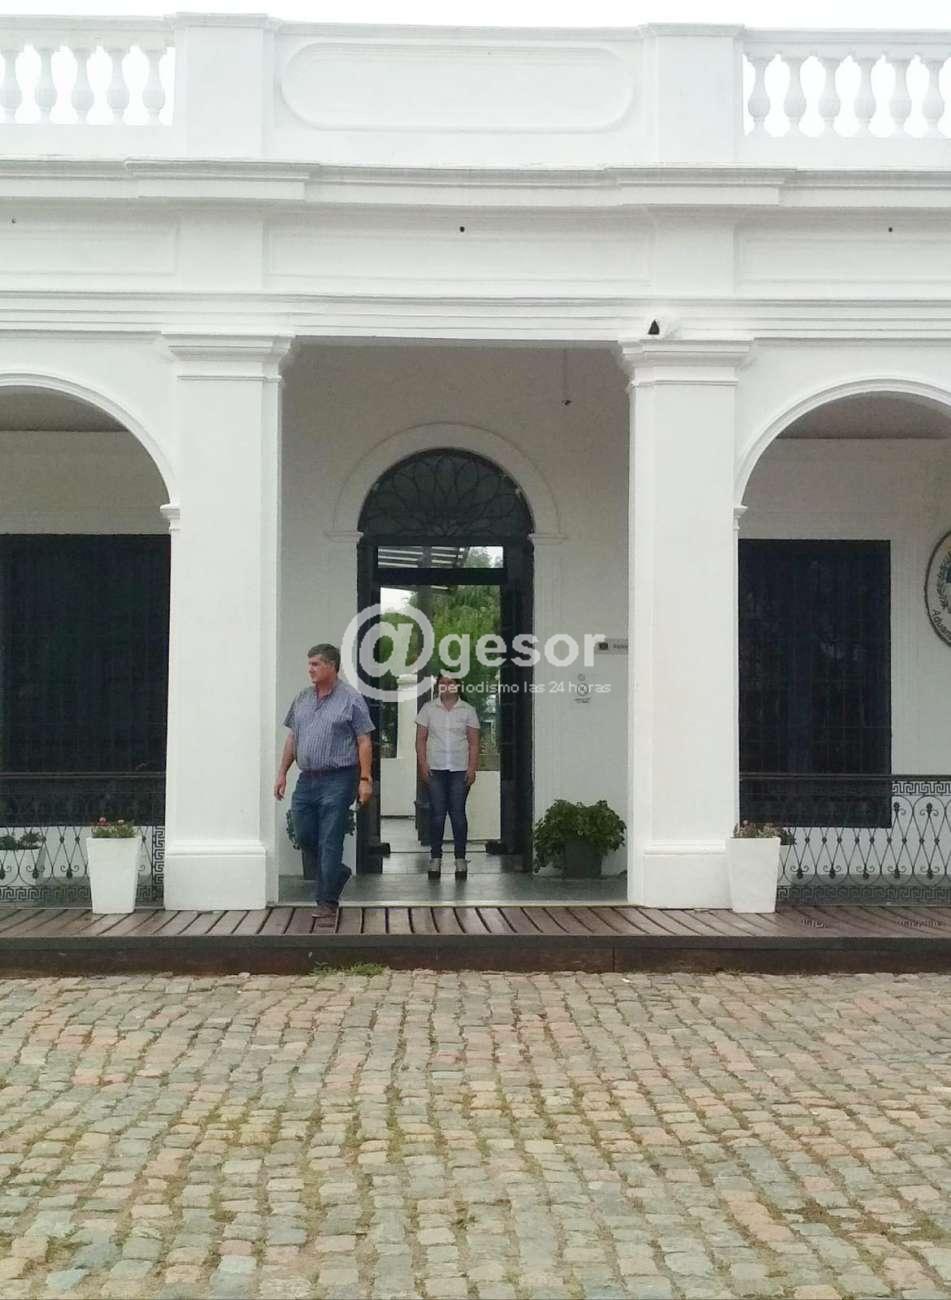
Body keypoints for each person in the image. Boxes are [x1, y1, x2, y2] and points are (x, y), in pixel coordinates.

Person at [275, 643, 374, 925]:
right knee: (305, 834)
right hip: (307, 779)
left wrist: (365, 779)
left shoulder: (351, 699)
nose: (310, 669)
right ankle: (338, 873)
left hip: (339, 778)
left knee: (330, 839)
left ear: (332, 666)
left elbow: (364, 740)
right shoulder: (302, 698)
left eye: (316, 664)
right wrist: (282, 773)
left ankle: (327, 901)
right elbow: (292, 738)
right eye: (309, 664)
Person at [415, 673, 480, 881]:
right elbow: (420, 740)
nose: (446, 685)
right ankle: (435, 858)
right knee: (437, 815)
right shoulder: (428, 709)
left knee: (458, 814)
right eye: (442, 682)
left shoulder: (468, 710)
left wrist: (472, 768)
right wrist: (423, 764)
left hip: (460, 769)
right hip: (435, 768)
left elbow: (473, 743)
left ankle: (460, 859)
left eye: (450, 682)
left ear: (458, 686)